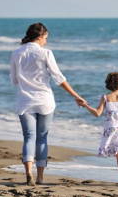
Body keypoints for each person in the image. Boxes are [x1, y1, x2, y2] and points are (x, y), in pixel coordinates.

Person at [10, 23, 86, 186]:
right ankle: (40, 177)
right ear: (39, 37)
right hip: (44, 100)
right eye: (45, 38)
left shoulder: (16, 53)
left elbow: (14, 80)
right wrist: (76, 96)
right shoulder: (46, 53)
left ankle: (28, 173)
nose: (46, 41)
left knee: (29, 137)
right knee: (42, 138)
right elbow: (59, 78)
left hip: (24, 101)